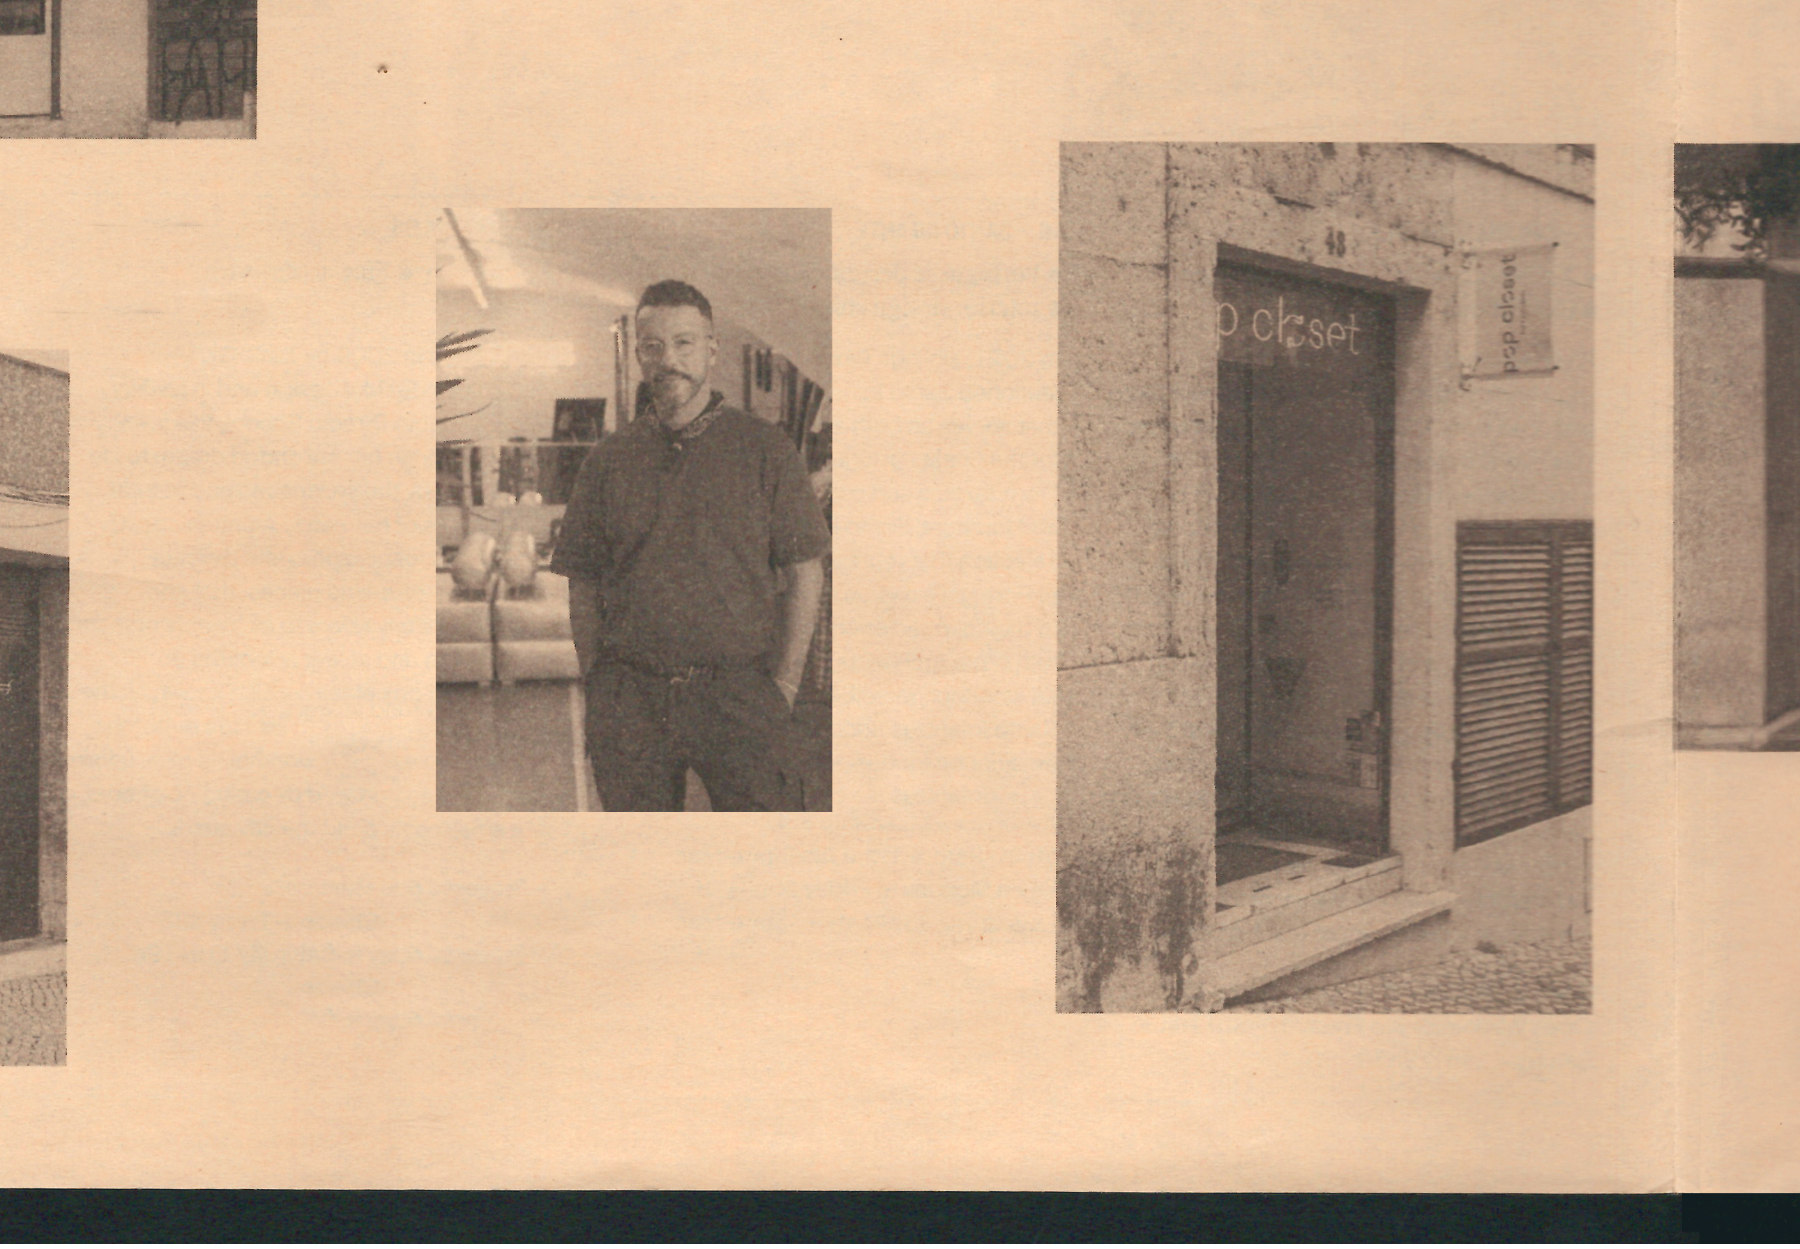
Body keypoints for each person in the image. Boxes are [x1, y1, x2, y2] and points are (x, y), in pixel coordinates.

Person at [550, 280, 830, 811]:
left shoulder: (765, 450)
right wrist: (600, 685)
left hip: (740, 696)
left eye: (684, 343)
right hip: (632, 701)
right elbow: (581, 583)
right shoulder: (609, 460)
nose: (669, 360)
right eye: (653, 346)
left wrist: (785, 687)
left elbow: (806, 571)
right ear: (639, 355)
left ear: (712, 350)